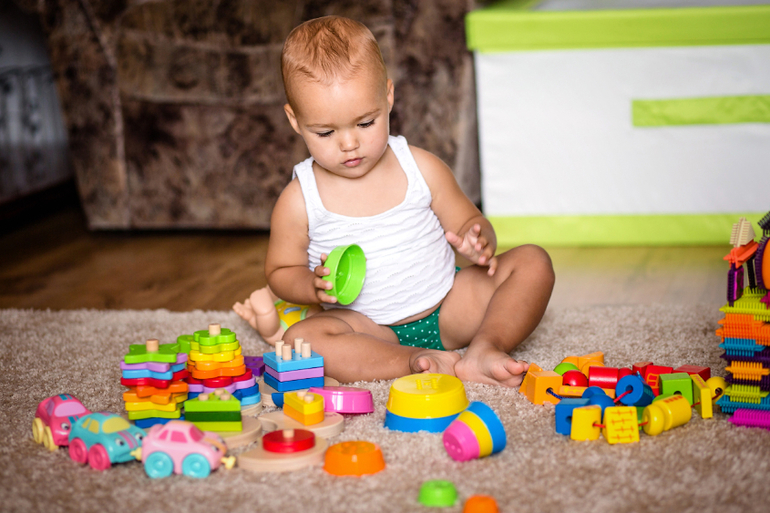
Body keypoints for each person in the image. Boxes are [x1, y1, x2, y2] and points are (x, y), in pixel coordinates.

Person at [233, 15, 555, 387]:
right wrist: (310, 286)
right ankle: (413, 361)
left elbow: (470, 222)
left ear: (387, 97)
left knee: (532, 262)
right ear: (295, 120)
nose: (349, 143)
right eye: (325, 132)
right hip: (368, 329)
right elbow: (280, 271)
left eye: (365, 123)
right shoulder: (298, 199)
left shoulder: (421, 167)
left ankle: (485, 348)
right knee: (301, 340)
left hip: (450, 306)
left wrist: (478, 239)